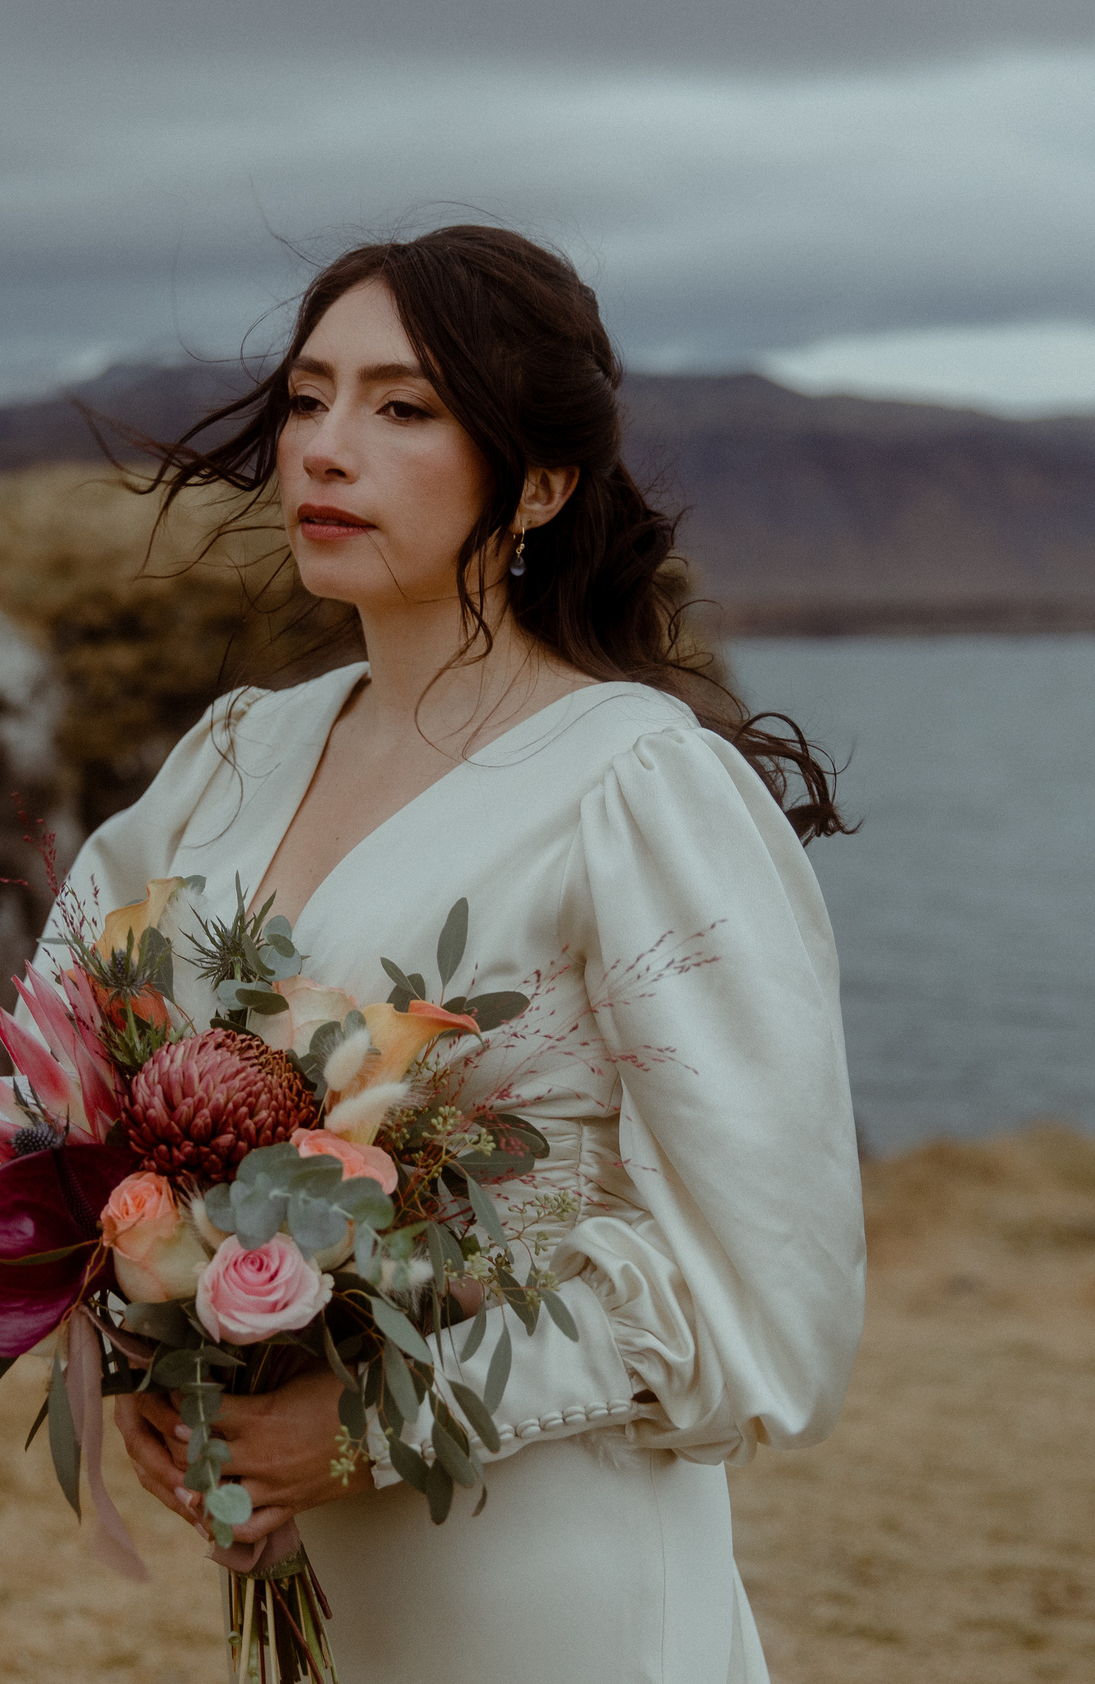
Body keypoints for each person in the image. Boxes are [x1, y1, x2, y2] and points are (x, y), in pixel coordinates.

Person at [82, 226, 866, 1681]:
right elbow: (73, 1065)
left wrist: (381, 1419)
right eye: (308, 399)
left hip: (551, 1577)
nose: (324, 449)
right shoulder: (237, 757)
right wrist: (154, 1355)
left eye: (402, 407)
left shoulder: (636, 787)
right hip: (325, 1580)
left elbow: (772, 1297)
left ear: (544, 480)